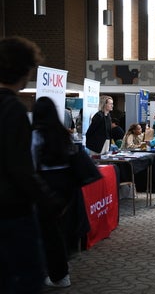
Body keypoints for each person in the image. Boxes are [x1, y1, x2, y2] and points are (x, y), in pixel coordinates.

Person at [0, 36, 46, 294]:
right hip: (12, 211)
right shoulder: (13, 109)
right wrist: (46, 199)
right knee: (26, 279)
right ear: (26, 70)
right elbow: (20, 166)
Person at [31, 96, 79, 288]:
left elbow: (31, 163)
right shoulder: (62, 133)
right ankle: (60, 272)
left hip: (45, 187)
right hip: (65, 187)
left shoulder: (36, 135)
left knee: (47, 231)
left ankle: (57, 274)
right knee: (57, 230)